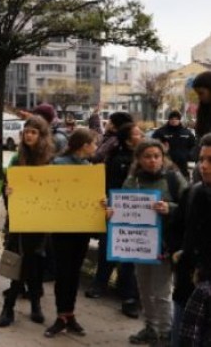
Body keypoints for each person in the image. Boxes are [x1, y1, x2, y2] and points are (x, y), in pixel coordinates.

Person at [121, 140, 186, 345]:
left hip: (164, 245)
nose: (152, 161)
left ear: (163, 157)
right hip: (139, 244)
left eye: (156, 156)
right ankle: (150, 327)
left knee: (162, 291)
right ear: (139, 160)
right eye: (147, 156)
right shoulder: (132, 181)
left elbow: (189, 206)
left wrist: (170, 208)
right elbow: (122, 208)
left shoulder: (174, 179)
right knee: (144, 289)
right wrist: (112, 212)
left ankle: (166, 334)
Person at [0, 116, 54, 328]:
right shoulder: (16, 159)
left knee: (36, 262)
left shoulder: (50, 161)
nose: (29, 135)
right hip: (20, 219)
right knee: (19, 261)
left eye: (33, 132)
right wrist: (7, 191)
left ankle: (35, 303)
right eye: (26, 132)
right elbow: (6, 187)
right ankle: (8, 306)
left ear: (41, 136)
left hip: (40, 220)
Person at [44, 128, 101, 337]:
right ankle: (61, 315)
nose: (96, 147)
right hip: (62, 228)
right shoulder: (58, 165)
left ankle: (70, 314)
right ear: (84, 145)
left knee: (74, 272)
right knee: (63, 272)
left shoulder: (89, 167)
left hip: (81, 228)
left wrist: (100, 201)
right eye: (94, 143)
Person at [87, 121, 144, 318]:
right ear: (128, 139)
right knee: (107, 247)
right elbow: (108, 183)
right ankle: (99, 284)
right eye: (138, 133)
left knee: (130, 253)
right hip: (115, 209)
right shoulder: (116, 158)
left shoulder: (146, 156)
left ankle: (129, 296)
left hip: (138, 213)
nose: (142, 135)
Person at [172, 134, 211, 347]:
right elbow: (176, 228)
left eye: (210, 160)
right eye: (201, 159)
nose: (203, 166)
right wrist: (179, 252)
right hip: (188, 286)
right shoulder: (193, 192)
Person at [152, 110, 196, 180]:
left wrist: (189, 156)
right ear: (169, 120)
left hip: (183, 167)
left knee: (184, 187)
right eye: (172, 119)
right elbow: (152, 144)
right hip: (166, 165)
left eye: (176, 119)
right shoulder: (160, 132)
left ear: (179, 120)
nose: (174, 121)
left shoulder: (187, 133)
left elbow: (194, 146)